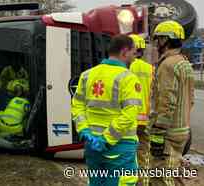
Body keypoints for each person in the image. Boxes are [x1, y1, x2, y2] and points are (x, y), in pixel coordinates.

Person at [71, 34, 142, 186]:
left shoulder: (87, 75)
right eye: (133, 53)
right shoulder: (128, 78)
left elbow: (77, 106)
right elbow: (129, 116)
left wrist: (85, 132)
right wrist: (107, 139)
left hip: (92, 146)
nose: (134, 58)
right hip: (120, 147)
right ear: (124, 51)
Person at [150, 20, 194, 186]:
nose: (157, 44)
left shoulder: (168, 64)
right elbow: (190, 99)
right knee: (172, 171)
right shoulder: (184, 63)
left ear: (165, 40)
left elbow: (166, 102)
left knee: (161, 176)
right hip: (182, 129)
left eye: (158, 39)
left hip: (168, 131)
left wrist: (158, 134)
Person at [129, 34, 154, 186]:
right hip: (145, 119)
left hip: (127, 119)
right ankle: (143, 182)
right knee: (144, 152)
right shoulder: (151, 69)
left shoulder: (124, 66)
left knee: (126, 152)